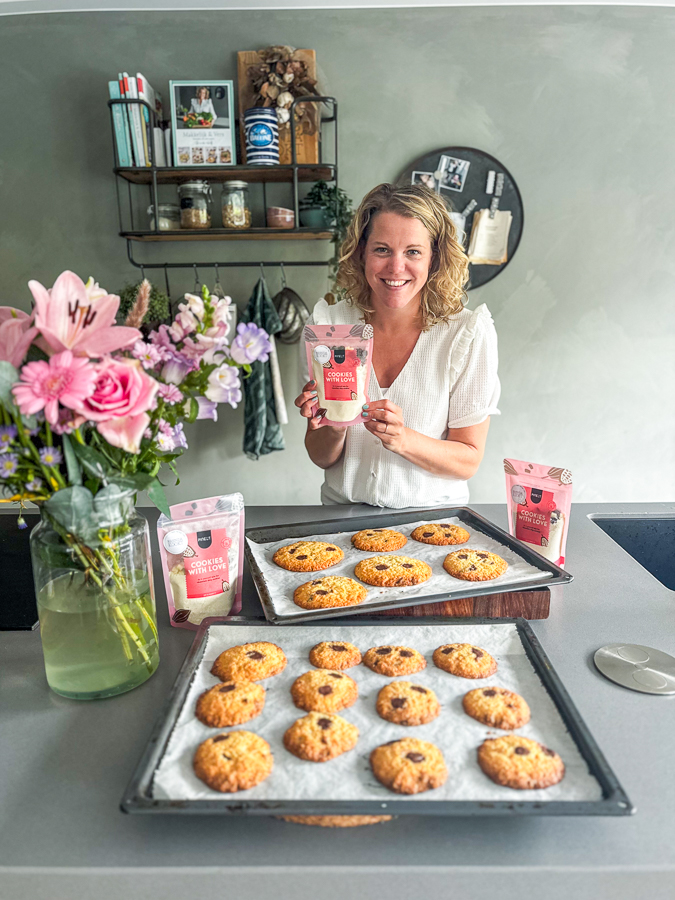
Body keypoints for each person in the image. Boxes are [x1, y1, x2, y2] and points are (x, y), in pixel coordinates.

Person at [295, 182, 500, 508]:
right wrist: (334, 428)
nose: (395, 267)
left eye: (413, 252)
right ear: (361, 251)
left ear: (434, 258)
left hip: (433, 530)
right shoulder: (328, 328)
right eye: (382, 249)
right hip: (340, 524)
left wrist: (404, 439)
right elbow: (320, 456)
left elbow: (468, 460)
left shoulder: (467, 334)